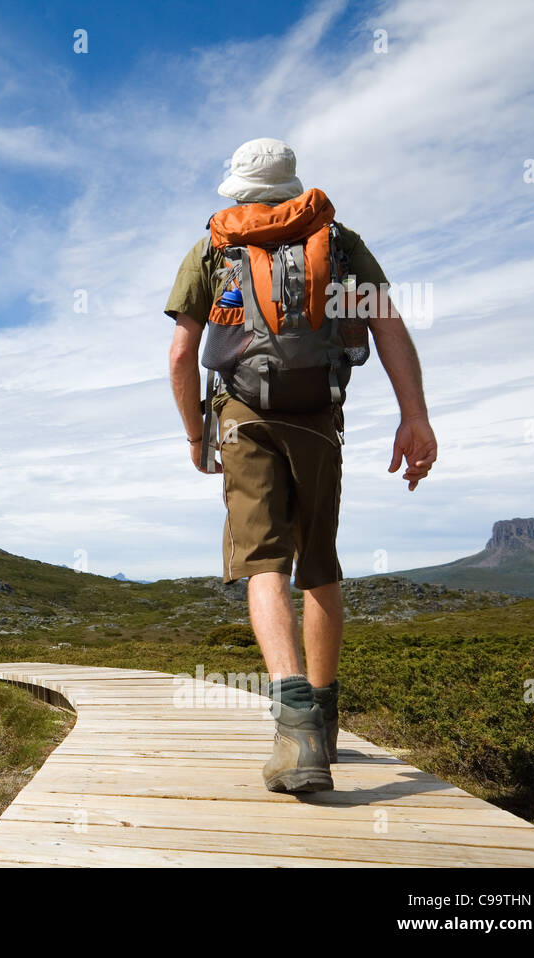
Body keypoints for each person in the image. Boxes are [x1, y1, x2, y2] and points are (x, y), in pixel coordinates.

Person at [164, 137, 437, 793]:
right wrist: (415, 416)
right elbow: (388, 324)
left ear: (238, 188)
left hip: (243, 416)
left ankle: (295, 730)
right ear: (292, 184)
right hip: (319, 415)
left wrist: (197, 433)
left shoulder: (212, 247)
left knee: (263, 561)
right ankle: (326, 720)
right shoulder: (338, 242)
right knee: (319, 565)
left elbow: (181, 355)